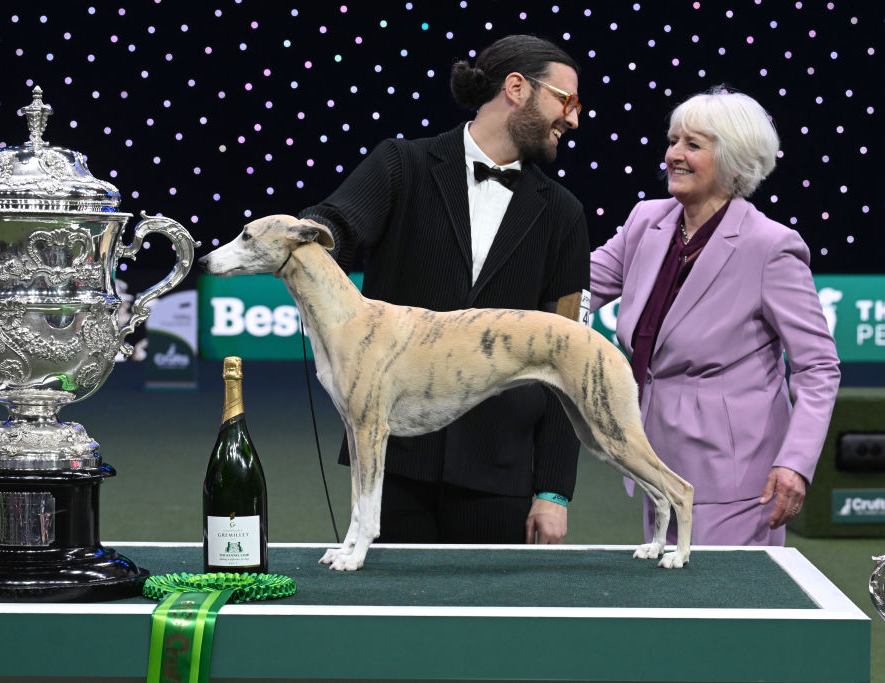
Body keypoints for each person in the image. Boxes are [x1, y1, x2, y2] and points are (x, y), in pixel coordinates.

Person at [297, 34, 590, 545]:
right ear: (517, 89)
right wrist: (308, 234)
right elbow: (338, 222)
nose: (573, 119)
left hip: (501, 474)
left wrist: (554, 490)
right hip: (394, 465)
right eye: (567, 101)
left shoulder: (565, 215)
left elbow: (570, 355)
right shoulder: (400, 164)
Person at [589, 87, 840, 545]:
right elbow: (577, 288)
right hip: (655, 462)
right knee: (666, 608)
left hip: (736, 479)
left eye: (693, 145)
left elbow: (817, 366)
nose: (673, 156)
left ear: (734, 160)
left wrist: (795, 462)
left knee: (719, 610)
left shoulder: (770, 246)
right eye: (673, 141)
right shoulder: (647, 220)